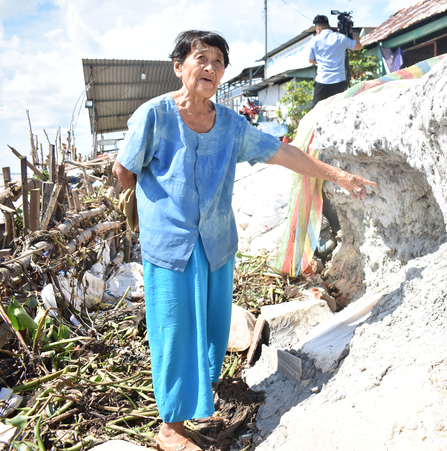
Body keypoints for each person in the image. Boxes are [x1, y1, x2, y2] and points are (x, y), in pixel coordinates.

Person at [112, 30, 375, 451]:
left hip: (216, 243)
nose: (212, 67)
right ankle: (170, 430)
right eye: (202, 58)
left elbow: (283, 153)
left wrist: (340, 176)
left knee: (214, 328)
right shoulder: (155, 116)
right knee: (175, 331)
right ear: (179, 67)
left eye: (219, 61)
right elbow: (124, 171)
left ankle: (205, 393)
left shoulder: (232, 125)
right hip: (170, 245)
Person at [308, 14, 362, 108]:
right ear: (329, 26)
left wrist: (321, 61)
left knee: (316, 111)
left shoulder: (314, 40)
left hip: (322, 80)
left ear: (318, 29)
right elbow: (358, 46)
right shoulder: (341, 38)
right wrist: (349, 29)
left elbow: (311, 60)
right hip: (339, 81)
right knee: (338, 109)